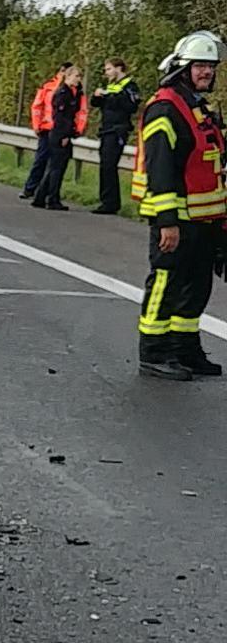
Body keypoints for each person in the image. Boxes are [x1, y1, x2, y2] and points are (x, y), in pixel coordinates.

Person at [131, 31, 227, 381]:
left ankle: (185, 350)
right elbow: (161, 170)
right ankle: (153, 353)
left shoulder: (197, 107)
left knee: (196, 286)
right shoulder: (166, 108)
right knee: (166, 284)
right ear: (182, 68)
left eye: (211, 66)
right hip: (176, 220)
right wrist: (167, 221)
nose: (207, 72)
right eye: (200, 65)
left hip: (204, 221)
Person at [21, 63, 84, 198]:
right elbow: (37, 106)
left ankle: (43, 194)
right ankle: (30, 189)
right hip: (46, 128)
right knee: (41, 160)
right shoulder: (48, 86)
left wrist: (77, 130)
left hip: (60, 130)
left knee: (55, 164)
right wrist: (37, 125)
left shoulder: (76, 90)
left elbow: (80, 112)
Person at [90, 58, 142, 215]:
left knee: (109, 165)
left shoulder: (129, 86)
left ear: (119, 68)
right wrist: (98, 95)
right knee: (105, 166)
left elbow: (131, 106)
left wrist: (108, 97)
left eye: (109, 69)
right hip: (106, 129)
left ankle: (110, 203)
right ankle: (106, 201)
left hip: (118, 130)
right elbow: (95, 103)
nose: (106, 73)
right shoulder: (111, 86)